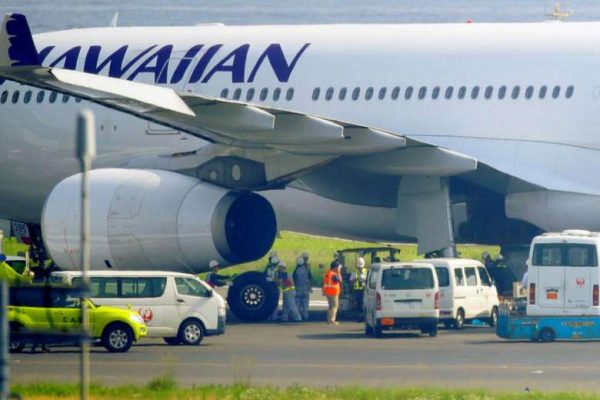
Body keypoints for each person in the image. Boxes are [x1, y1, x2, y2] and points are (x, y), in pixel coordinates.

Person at [322, 260, 342, 325]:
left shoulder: (327, 273)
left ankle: (328, 319)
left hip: (328, 292)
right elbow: (340, 280)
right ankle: (332, 320)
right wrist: (338, 272)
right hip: (333, 292)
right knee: (334, 306)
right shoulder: (334, 274)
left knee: (330, 306)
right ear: (336, 267)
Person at [293, 255, 312, 320]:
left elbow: (294, 281)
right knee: (305, 303)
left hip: (298, 288)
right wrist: (310, 287)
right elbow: (310, 278)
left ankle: (297, 316)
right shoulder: (307, 269)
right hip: (306, 289)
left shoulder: (296, 271)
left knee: (297, 303)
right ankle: (305, 315)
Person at [264, 252, 281, 321]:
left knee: (268, 302)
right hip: (276, 287)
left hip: (268, 288)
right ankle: (274, 316)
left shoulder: (268, 268)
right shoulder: (278, 269)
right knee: (275, 303)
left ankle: (268, 317)